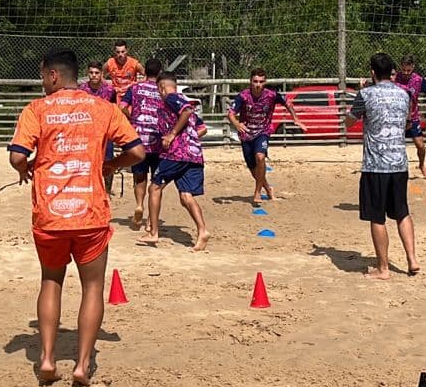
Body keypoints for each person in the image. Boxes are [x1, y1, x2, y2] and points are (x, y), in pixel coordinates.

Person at [8, 49, 145, 387]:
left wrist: (26, 167)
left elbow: (15, 157)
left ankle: (48, 358)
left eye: (42, 76)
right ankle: (83, 364)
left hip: (50, 216)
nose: (42, 82)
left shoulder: (36, 110)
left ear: (53, 75)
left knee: (50, 282)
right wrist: (111, 165)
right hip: (91, 214)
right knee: (93, 287)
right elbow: (138, 151)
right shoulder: (104, 108)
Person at [344, 52, 419, 279]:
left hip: (375, 165)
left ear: (373, 72)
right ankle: (412, 259)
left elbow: (349, 122)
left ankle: (383, 268)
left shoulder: (365, 94)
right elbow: (407, 123)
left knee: (377, 217)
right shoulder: (404, 94)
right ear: (392, 72)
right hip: (399, 163)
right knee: (402, 212)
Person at [140, 72, 210, 251]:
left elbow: (185, 111)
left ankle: (153, 232)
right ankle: (202, 231)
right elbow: (202, 129)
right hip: (193, 155)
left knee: (154, 187)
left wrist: (173, 135)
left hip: (176, 154)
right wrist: (186, 138)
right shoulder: (183, 105)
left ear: (161, 87)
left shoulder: (172, 98)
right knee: (186, 196)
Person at [226, 68, 303, 203]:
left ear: (265, 82)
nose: (258, 84)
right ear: (250, 81)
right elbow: (230, 113)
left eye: (261, 81)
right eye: (255, 81)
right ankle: (268, 188)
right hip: (246, 134)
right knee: (253, 169)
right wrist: (237, 124)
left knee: (260, 157)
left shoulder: (271, 94)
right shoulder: (243, 96)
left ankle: (257, 193)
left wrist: (295, 118)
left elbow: (288, 103)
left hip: (263, 131)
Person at [120, 57, 167, 229]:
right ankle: (151, 221)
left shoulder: (135, 88)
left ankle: (139, 204)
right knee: (156, 183)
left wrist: (131, 117)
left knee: (139, 176)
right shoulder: (163, 90)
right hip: (158, 140)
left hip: (139, 139)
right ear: (160, 72)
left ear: (145, 72)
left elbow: (122, 106)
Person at [80, 61, 119, 193]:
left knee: (108, 160)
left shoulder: (109, 90)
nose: (94, 75)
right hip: (87, 130)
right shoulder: (81, 90)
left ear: (102, 74)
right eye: (91, 72)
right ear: (87, 73)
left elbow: (114, 108)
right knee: (87, 160)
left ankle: (107, 190)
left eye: (97, 73)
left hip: (105, 131)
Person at [395, 55, 426, 178]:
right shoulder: (394, 78)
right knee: (396, 146)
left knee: (420, 145)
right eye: (404, 70)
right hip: (397, 118)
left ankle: (422, 165)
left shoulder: (418, 80)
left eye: (409, 70)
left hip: (413, 117)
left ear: (413, 67)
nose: (406, 73)